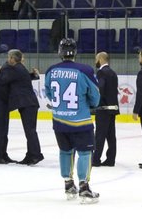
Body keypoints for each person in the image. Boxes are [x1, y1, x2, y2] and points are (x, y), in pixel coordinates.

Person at [45, 38, 101, 204]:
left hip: (59, 120)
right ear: (75, 52)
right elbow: (95, 96)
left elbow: (49, 93)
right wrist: (90, 105)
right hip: (81, 121)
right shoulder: (84, 70)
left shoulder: (51, 70)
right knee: (85, 153)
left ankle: (68, 185)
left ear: (59, 52)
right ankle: (84, 188)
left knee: (65, 151)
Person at [0, 49, 43, 165]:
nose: (8, 60)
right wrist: (34, 75)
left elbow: (2, 80)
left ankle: (36, 155)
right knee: (30, 130)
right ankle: (31, 155)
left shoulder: (16, 68)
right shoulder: (19, 68)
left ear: (12, 58)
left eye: (9, 57)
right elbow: (24, 78)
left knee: (30, 131)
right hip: (28, 104)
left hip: (27, 104)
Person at [92, 52, 119, 167]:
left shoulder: (101, 72)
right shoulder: (113, 73)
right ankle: (111, 159)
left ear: (102, 59)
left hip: (103, 108)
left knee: (100, 135)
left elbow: (100, 89)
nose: (95, 61)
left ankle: (96, 159)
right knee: (111, 135)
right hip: (112, 108)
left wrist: (94, 102)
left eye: (96, 59)